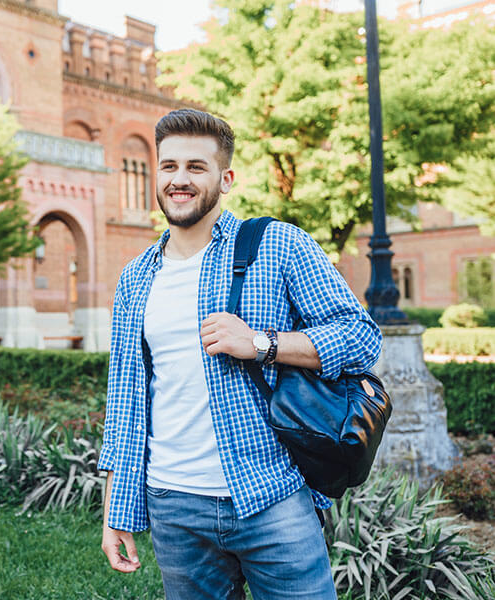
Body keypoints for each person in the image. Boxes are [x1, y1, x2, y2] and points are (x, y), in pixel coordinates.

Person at [98, 109, 381, 599]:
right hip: (174, 506)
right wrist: (115, 512)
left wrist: (263, 344)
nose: (179, 180)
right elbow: (125, 400)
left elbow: (361, 336)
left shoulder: (278, 245)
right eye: (169, 166)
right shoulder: (135, 277)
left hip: (272, 494)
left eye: (196, 167)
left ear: (225, 179)